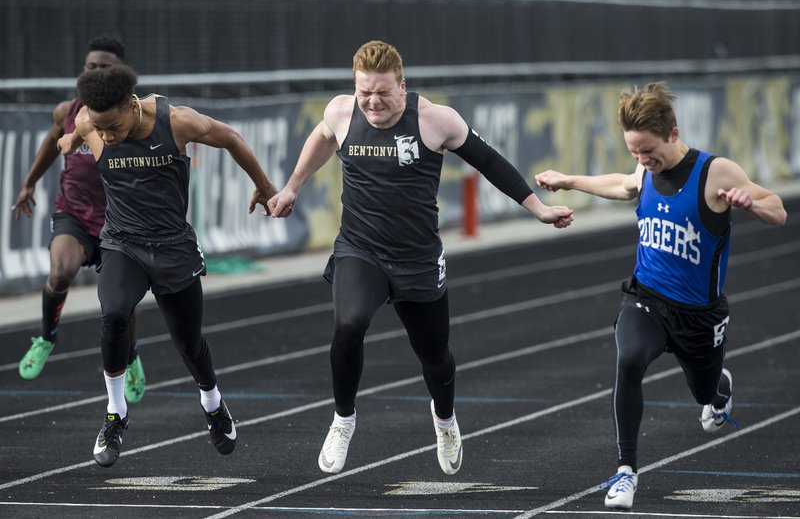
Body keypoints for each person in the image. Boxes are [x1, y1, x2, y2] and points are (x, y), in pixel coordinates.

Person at [268, 40, 574, 476]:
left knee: (434, 355)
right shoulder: (340, 112)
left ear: (403, 86)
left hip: (417, 258)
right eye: (364, 92)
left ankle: (445, 420)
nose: (372, 102)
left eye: (383, 93)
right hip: (361, 249)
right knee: (348, 325)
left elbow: (490, 161)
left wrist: (538, 208)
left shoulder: (435, 121)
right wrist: (292, 187)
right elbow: (321, 137)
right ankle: (343, 419)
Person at [535, 81, 787, 510]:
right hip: (646, 297)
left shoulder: (715, 172)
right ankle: (625, 471)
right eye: (634, 152)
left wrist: (750, 202)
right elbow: (626, 186)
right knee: (628, 359)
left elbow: (778, 210)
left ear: (673, 133)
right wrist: (568, 180)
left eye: (647, 151)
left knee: (704, 392)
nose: (641, 161)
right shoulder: (644, 169)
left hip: (698, 315)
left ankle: (717, 390)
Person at [57, 64, 278, 467]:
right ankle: (115, 414)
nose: (105, 136)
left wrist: (264, 187)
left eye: (113, 127)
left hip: (173, 248)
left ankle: (212, 403)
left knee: (188, 343)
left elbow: (231, 138)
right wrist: (71, 141)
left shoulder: (177, 122)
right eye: (99, 129)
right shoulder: (91, 119)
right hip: (122, 243)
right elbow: (78, 133)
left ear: (131, 106)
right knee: (114, 317)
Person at [12, 33, 146, 404]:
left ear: (121, 72)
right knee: (60, 273)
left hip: (119, 222)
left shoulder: (136, 117)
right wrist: (28, 185)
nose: (97, 73)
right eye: (91, 67)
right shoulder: (66, 111)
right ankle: (46, 337)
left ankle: (131, 356)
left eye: (106, 67)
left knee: (121, 306)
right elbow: (50, 145)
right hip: (73, 211)